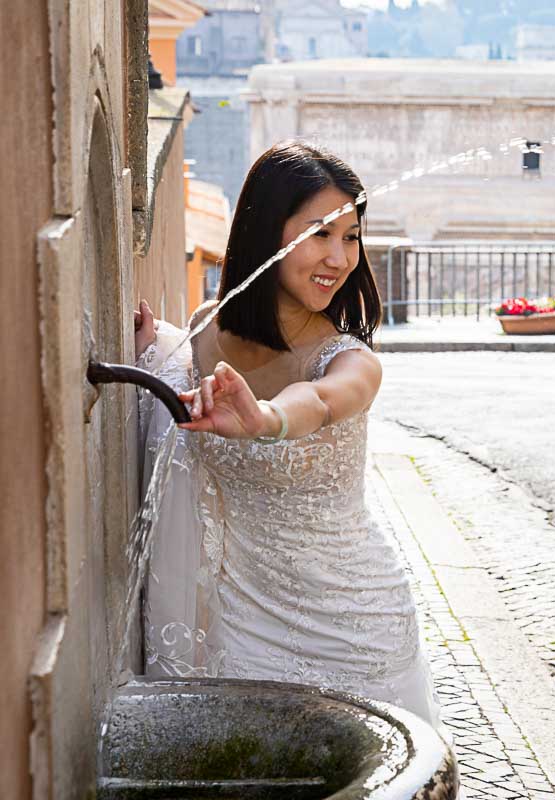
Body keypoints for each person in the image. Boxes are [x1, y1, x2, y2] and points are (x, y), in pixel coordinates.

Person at [134, 140, 440, 728]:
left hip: (353, 631)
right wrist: (155, 351)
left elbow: (320, 402)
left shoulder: (349, 361)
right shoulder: (202, 333)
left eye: (350, 237)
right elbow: (182, 364)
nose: (339, 257)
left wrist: (265, 421)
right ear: (266, 230)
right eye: (319, 233)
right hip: (238, 623)